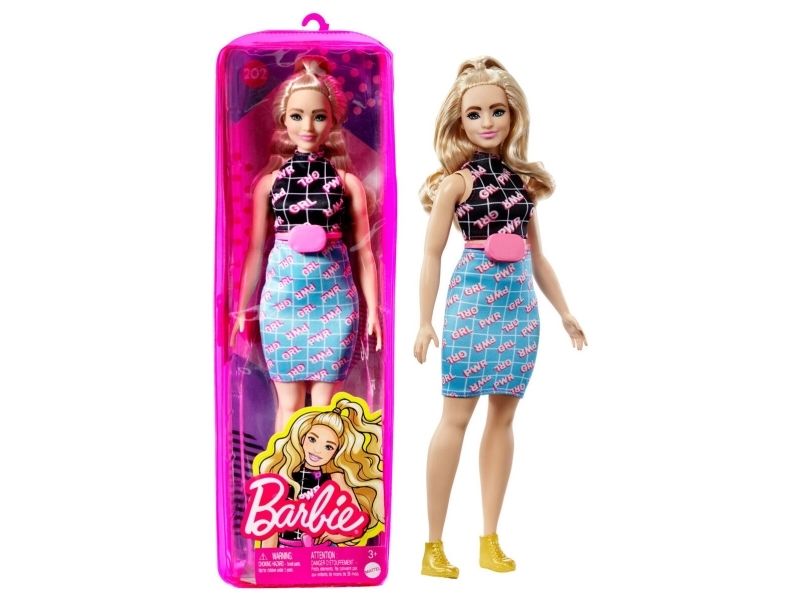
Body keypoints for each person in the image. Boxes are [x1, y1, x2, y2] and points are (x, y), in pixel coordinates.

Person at [414, 56, 587, 578]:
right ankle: (433, 545)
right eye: (474, 114)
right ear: (458, 121)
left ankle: (489, 537)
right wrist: (425, 320)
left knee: (504, 418)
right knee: (456, 417)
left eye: (497, 111)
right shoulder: (456, 184)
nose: (487, 122)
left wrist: (565, 311)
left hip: (518, 305)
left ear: (514, 116)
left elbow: (539, 257)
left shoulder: (522, 186)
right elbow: (431, 255)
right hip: (473, 301)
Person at [230, 56, 381, 434]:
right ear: (283, 120)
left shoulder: (346, 183)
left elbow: (365, 252)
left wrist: (374, 311)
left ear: (333, 121)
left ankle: (321, 472)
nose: (308, 126)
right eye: (297, 116)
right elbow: (255, 250)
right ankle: (284, 471)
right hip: (283, 303)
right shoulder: (270, 184)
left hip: (335, 304)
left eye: (318, 116)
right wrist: (242, 309)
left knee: (325, 410)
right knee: (289, 405)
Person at [254, 394, 384, 547]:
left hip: (324, 552)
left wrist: (334, 536)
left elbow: (357, 523)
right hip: (285, 551)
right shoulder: (283, 474)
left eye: (328, 447)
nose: (317, 450)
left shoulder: (335, 478)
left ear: (336, 453)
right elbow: (270, 527)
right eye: (312, 439)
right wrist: (268, 557)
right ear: (302, 438)